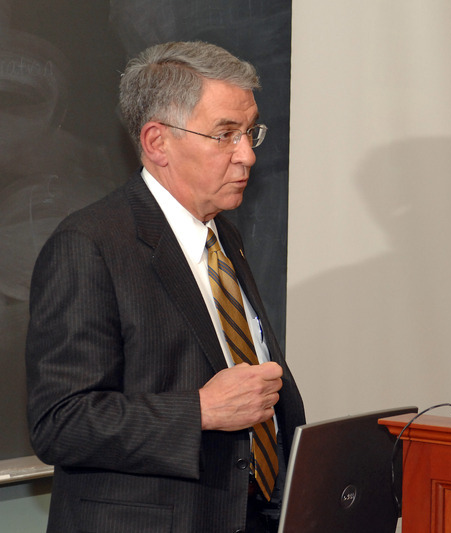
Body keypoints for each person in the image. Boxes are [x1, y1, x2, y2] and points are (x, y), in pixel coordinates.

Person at [25, 41, 305, 533]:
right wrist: (200, 410)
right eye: (225, 135)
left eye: (249, 132)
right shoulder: (88, 245)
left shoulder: (224, 236)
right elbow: (60, 421)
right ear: (157, 143)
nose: (247, 156)